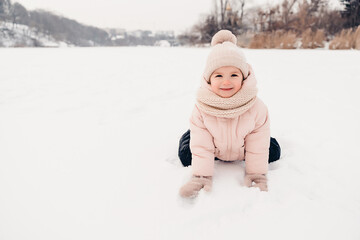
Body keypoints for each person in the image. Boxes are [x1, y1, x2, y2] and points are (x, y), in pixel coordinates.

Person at [178, 30, 281, 198]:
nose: (226, 81)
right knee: (187, 152)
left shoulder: (257, 107)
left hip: (243, 148)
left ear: (244, 77)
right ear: (209, 80)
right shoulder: (202, 107)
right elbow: (202, 145)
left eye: (234, 75)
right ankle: (190, 136)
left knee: (272, 150)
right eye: (219, 75)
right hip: (214, 148)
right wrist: (201, 176)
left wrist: (256, 174)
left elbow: (257, 144)